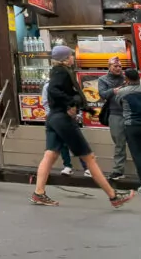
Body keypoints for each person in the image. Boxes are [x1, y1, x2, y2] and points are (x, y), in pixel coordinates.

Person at [30, 46, 134, 207]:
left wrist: (87, 109)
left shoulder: (58, 71)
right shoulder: (61, 71)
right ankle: (114, 197)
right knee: (89, 157)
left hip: (54, 118)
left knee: (50, 155)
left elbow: (60, 92)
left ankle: (39, 193)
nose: (73, 57)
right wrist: (71, 103)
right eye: (71, 55)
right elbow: (54, 90)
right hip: (63, 119)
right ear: (65, 58)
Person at [41, 77, 88, 177]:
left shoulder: (70, 85)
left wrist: (77, 115)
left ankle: (87, 167)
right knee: (62, 143)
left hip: (70, 117)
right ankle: (67, 166)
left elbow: (78, 100)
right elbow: (45, 103)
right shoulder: (48, 87)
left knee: (77, 141)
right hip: (57, 118)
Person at [97, 56, 127, 180]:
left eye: (120, 66)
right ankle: (118, 170)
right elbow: (102, 94)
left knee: (137, 142)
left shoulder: (126, 77)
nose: (118, 68)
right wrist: (115, 90)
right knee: (119, 143)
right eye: (115, 66)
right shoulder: (103, 79)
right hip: (115, 113)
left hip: (131, 112)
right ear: (109, 67)